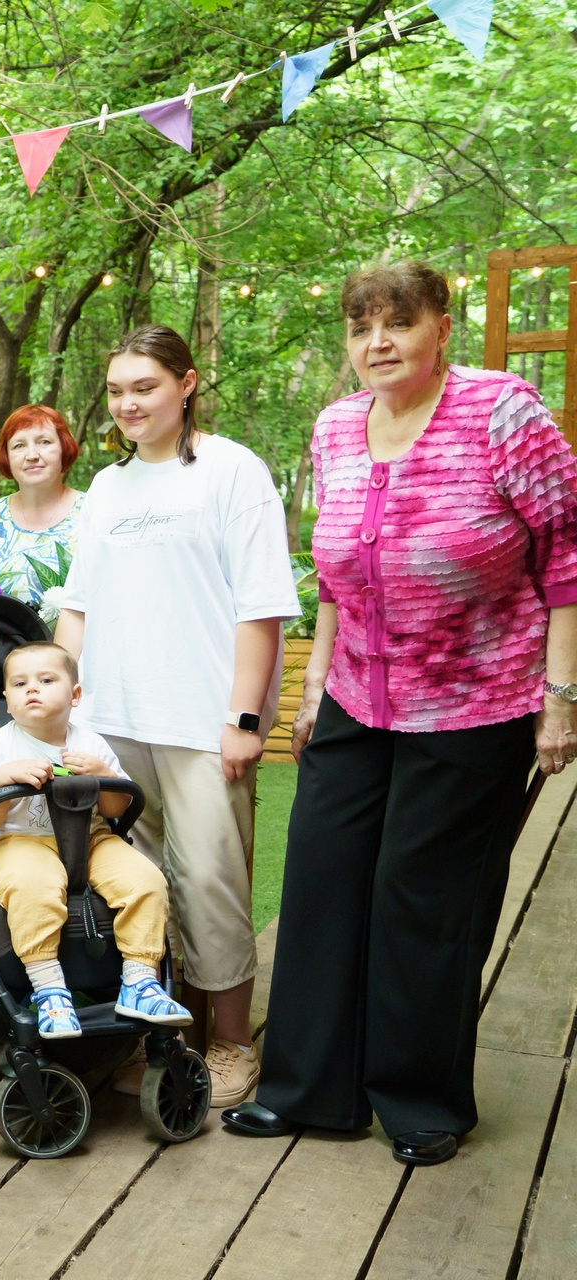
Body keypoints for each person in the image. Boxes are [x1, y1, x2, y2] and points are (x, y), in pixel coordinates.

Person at [223, 262, 577, 1167]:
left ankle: (419, 1099)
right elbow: (336, 577)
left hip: (475, 705)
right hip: (355, 696)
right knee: (321, 881)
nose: (376, 342)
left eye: (398, 322)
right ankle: (307, 1089)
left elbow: (566, 558)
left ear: (441, 328)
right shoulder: (336, 427)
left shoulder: (502, 412)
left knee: (426, 900)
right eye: (360, 327)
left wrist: (561, 697)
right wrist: (314, 686)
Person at [55, 325, 299, 1109]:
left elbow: (263, 606)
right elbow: (78, 604)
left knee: (211, 880)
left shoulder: (232, 471)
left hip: (200, 721)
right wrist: (59, 708)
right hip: (116, 720)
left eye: (145, 387)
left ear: (186, 384)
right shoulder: (107, 487)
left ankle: (231, 1041)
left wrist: (245, 719)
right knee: (139, 882)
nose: (128, 404)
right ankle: (165, 1035)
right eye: (117, 390)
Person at [0, 642, 190, 1037]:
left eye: (46, 680)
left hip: (90, 836)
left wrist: (103, 775)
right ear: (8, 701)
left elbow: (116, 809)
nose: (32, 689)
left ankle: (139, 980)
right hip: (17, 840)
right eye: (20, 684)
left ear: (75, 695)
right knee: (34, 886)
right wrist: (2, 779)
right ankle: (48, 988)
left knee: (146, 880)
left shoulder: (91, 743)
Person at [0, 404, 85, 606]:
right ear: (6, 456)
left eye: (44, 442)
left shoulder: (93, 512)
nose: (32, 455)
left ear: (64, 448)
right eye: (19, 446)